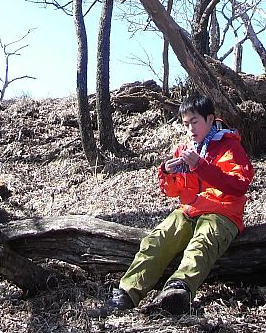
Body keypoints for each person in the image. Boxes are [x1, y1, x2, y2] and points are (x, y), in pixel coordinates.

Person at [102, 92, 255, 316]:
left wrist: (201, 167)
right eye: (186, 124)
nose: (191, 129)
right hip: (189, 210)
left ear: (210, 119)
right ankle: (126, 293)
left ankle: (177, 291)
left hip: (222, 213)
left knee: (201, 245)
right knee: (156, 240)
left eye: (195, 122)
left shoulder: (229, 146)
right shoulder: (185, 150)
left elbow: (239, 185)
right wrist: (165, 172)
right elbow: (172, 192)